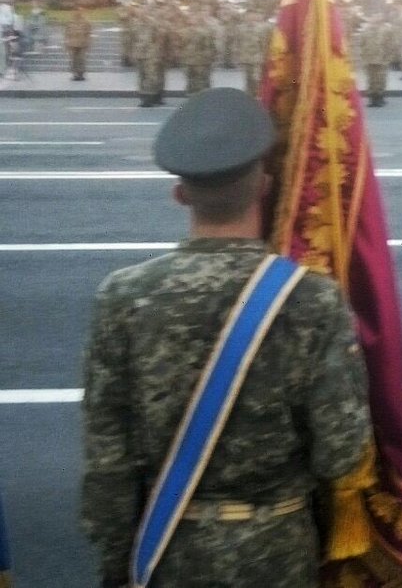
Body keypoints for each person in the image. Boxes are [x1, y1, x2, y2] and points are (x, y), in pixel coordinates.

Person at [81, 87, 371, 588]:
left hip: (167, 548)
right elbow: (341, 452)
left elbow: (108, 461)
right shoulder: (311, 299)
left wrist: (115, 564)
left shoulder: (123, 297)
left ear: (180, 193)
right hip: (278, 548)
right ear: (264, 185)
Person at [65, 4, 93, 81]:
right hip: (72, 43)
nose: (78, 13)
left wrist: (88, 42)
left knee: (81, 59)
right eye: (76, 11)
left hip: (82, 43)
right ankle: (75, 74)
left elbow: (88, 32)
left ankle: (81, 74)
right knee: (73, 59)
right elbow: (67, 33)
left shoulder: (86, 21)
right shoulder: (70, 21)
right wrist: (67, 42)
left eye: (80, 11)